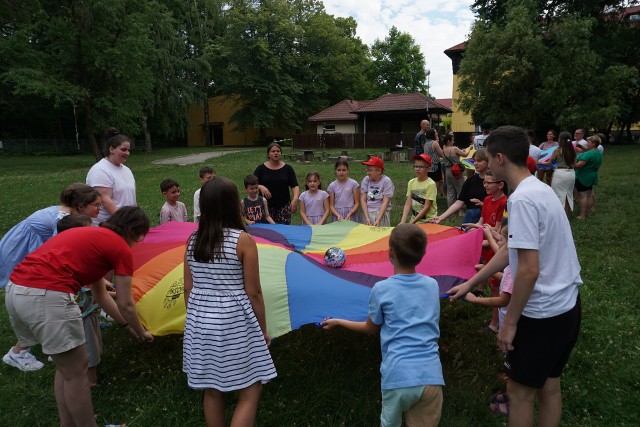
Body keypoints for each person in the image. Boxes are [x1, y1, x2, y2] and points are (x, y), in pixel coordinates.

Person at [449, 126, 582, 427]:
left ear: (499, 158)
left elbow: (528, 269)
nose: (483, 165)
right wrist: (472, 282)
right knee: (549, 386)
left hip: (541, 316)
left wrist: (508, 325)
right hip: (567, 308)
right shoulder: (540, 189)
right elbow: (511, 249)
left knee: (519, 393)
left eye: (487, 159)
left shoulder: (520, 200)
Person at [5, 207, 154, 427]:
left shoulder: (91, 236)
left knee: (65, 369)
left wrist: (126, 326)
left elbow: (100, 294)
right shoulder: (120, 247)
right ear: (137, 233)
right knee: (77, 372)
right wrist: (141, 332)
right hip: (47, 294)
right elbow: (125, 302)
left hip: (16, 290)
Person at [322, 223, 444, 427]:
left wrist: (338, 321)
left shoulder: (382, 289)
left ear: (390, 252)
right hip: (431, 376)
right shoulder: (432, 285)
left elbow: (370, 328)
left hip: (398, 376)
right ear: (423, 253)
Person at [183, 177, 276, 426]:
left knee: (212, 388)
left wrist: (194, 322)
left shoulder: (192, 241)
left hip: (200, 322)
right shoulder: (242, 240)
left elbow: (188, 289)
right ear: (234, 204)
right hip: (234, 321)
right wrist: (262, 330)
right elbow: (254, 292)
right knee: (251, 387)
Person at [1, 183, 102, 371]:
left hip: (32, 252)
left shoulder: (68, 215)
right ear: (81, 206)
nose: (99, 209)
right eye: (96, 205)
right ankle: (22, 351)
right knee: (37, 300)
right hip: (25, 251)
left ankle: (40, 343)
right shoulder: (62, 221)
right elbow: (64, 255)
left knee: (34, 301)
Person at [56, 214, 132, 387]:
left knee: (95, 344)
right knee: (89, 349)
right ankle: (91, 380)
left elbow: (97, 283)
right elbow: (89, 290)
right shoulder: (76, 262)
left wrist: (108, 285)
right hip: (81, 316)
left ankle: (92, 372)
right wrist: (121, 295)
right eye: (88, 231)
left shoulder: (75, 256)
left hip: (90, 312)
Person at [86, 127, 136, 225]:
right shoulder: (100, 170)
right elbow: (105, 201)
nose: (127, 153)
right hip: (108, 226)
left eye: (128, 150)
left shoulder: (126, 170)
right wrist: (127, 222)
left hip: (126, 225)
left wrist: (135, 218)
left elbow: (130, 199)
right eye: (123, 150)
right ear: (111, 149)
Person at [429, 149, 489, 226]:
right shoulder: (470, 181)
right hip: (470, 218)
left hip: (487, 220)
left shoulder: (497, 181)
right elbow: (459, 202)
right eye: (474, 161)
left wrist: (483, 204)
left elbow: (500, 205)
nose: (475, 163)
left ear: (488, 162)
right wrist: (441, 217)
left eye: (479, 161)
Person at [253, 142, 300, 224]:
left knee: (283, 232)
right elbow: (252, 184)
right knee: (266, 233)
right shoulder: (261, 169)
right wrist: (260, 187)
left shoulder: (288, 169)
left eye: (278, 151)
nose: (276, 153)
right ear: (268, 154)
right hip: (265, 207)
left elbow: (295, 186)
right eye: (273, 151)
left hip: (283, 207)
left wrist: (295, 199)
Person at [539, 131, 576, 216]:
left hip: (560, 173)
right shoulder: (573, 150)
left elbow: (549, 163)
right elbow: (575, 164)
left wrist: (540, 162)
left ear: (561, 140)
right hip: (571, 173)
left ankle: (559, 215)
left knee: (558, 194)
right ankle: (566, 214)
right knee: (568, 194)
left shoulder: (557, 150)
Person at [399, 154, 437, 224]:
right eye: (416, 166)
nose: (417, 169)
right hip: (415, 221)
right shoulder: (411, 182)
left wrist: (412, 223)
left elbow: (427, 207)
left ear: (429, 169)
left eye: (421, 167)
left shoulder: (431, 184)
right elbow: (408, 203)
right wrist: (402, 221)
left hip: (429, 222)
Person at [574, 134, 603, 219]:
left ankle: (582, 215)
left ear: (594, 143)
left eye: (588, 142)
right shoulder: (597, 152)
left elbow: (579, 165)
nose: (586, 144)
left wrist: (569, 165)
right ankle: (588, 212)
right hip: (592, 175)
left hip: (583, 176)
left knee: (582, 196)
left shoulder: (589, 154)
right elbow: (587, 150)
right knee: (589, 194)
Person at [360, 156, 394, 227]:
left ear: (379, 171)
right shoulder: (366, 180)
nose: (368, 173)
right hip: (368, 212)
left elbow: (385, 201)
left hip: (381, 213)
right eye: (367, 170)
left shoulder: (386, 181)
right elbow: (363, 200)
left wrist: (378, 219)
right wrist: (366, 217)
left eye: (370, 170)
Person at [442, 131, 472, 210]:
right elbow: (465, 154)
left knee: (450, 190)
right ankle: (460, 210)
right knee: (460, 190)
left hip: (447, 170)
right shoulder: (454, 148)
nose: (454, 142)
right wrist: (469, 148)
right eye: (452, 140)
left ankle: (450, 209)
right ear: (449, 141)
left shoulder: (444, 148)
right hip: (456, 171)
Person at [422, 129, 446, 199]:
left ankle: (443, 195)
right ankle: (430, 198)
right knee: (437, 182)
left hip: (428, 166)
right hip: (435, 166)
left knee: (440, 181)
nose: (437, 133)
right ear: (433, 134)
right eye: (435, 132)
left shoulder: (426, 143)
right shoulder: (435, 143)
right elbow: (441, 154)